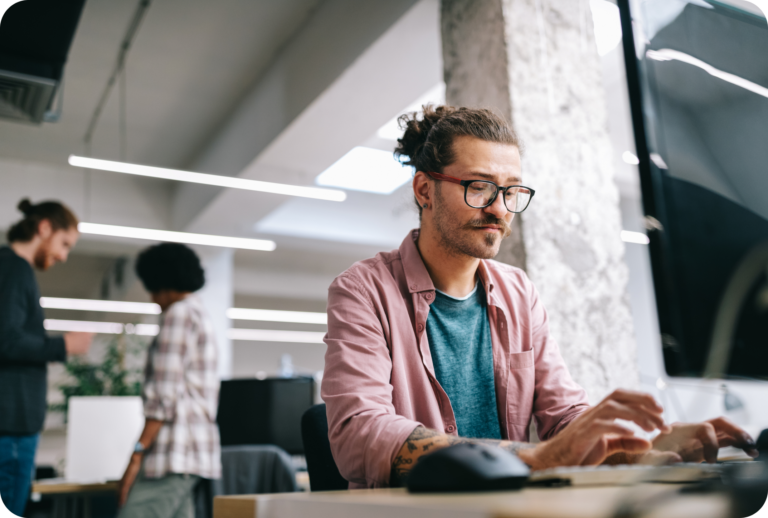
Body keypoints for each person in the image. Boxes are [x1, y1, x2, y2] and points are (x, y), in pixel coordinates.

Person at [321, 106, 758, 489]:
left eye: (511, 191)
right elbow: (360, 434)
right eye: (479, 187)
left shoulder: (518, 292)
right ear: (424, 190)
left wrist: (638, 445)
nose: (499, 209)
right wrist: (534, 458)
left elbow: (564, 417)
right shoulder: (364, 291)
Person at [0, 199, 93, 518]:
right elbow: (6, 340)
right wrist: (63, 346)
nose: (64, 256)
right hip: (11, 429)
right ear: (44, 228)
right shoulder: (14, 268)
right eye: (64, 243)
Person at [117, 243, 221, 518]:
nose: (152, 298)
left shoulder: (179, 314)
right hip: (192, 454)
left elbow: (163, 395)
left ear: (161, 282)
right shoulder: (200, 313)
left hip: (174, 453)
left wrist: (136, 454)